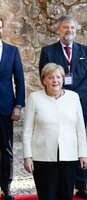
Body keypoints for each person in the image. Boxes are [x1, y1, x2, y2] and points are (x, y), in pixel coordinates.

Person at [39, 15, 87, 199]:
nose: (69, 30)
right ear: (58, 30)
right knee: (60, 144)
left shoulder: (85, 51)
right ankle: (61, 184)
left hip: (80, 104)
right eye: (65, 27)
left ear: (76, 30)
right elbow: (45, 76)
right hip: (55, 105)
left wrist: (73, 97)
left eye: (72, 27)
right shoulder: (48, 51)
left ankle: (82, 185)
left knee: (79, 142)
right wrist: (62, 96)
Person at [23, 63, 87, 200]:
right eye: (51, 77)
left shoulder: (74, 97)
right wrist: (27, 156)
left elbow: (80, 129)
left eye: (58, 77)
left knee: (66, 195)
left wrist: (83, 154)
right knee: (47, 196)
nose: (55, 80)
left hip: (69, 156)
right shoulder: (34, 98)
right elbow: (27, 130)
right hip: (42, 157)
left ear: (63, 79)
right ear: (44, 80)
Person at [0, 18, 25, 200]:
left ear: (2, 29)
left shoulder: (12, 51)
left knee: (6, 150)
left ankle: (6, 187)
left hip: (5, 108)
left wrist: (18, 105)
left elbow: (20, 81)